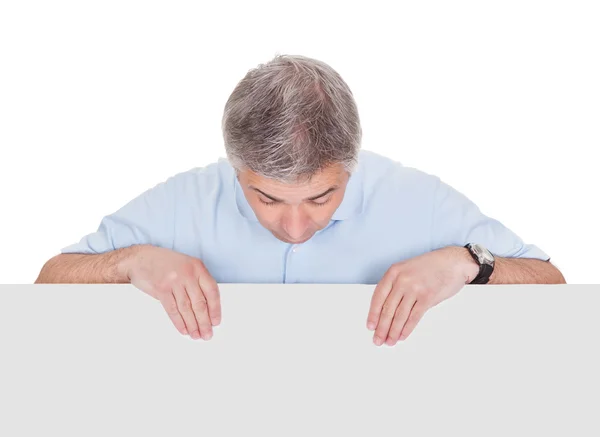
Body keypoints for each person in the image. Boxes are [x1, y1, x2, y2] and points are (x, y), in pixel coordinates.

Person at [35, 54, 566, 346]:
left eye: (322, 196)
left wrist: (468, 262)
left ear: (352, 164)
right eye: (266, 198)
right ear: (235, 167)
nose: (294, 227)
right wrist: (131, 261)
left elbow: (555, 287)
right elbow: (47, 282)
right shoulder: (184, 199)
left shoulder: (418, 200)